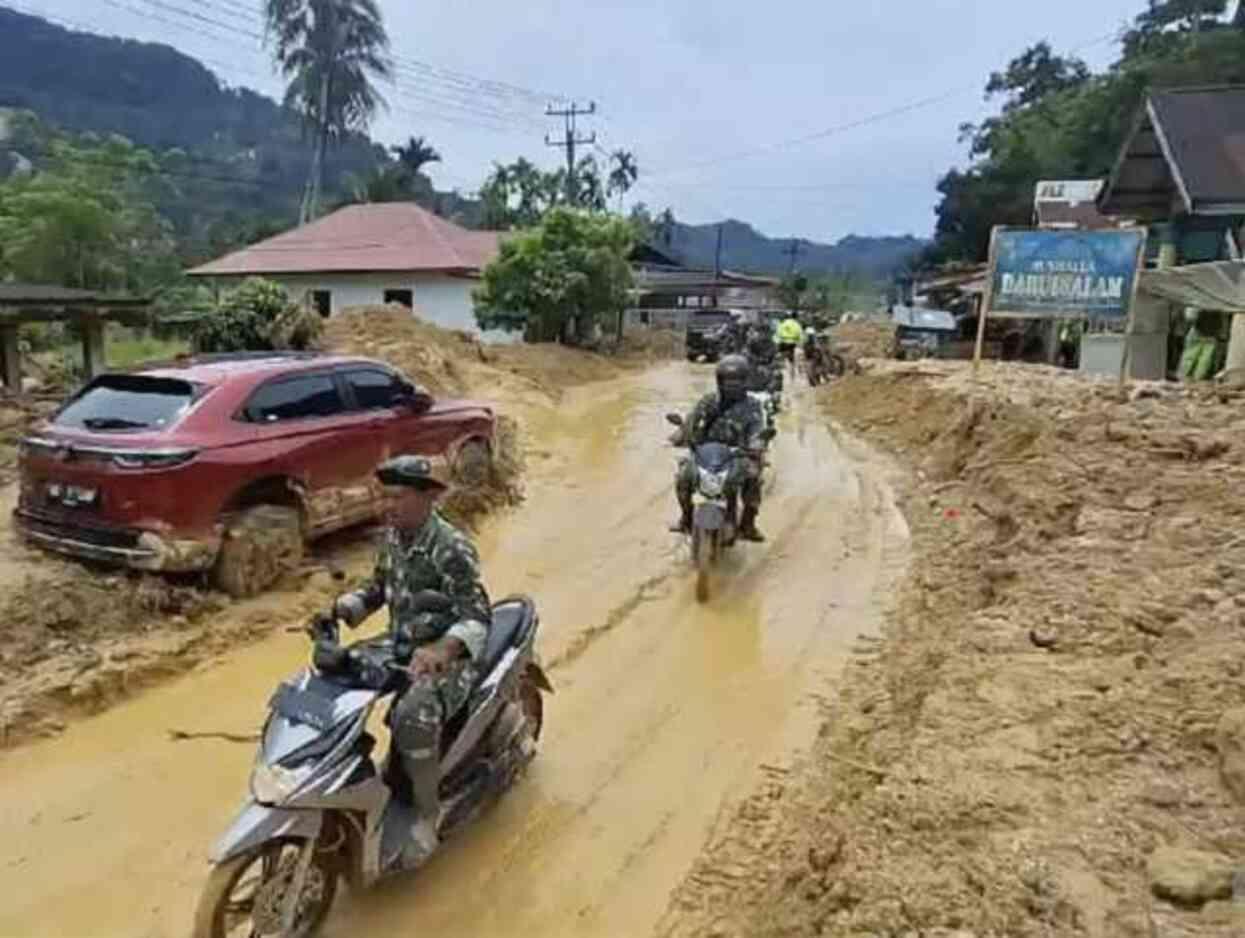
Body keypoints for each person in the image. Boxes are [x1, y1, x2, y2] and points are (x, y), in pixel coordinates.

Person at [329, 455, 491, 862]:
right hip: (401, 645)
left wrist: (443, 649)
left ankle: (427, 811)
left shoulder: (450, 548)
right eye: (384, 497)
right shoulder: (392, 539)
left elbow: (477, 614)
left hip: (449, 656)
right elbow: (378, 588)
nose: (388, 505)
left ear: (426, 498)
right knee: (334, 678)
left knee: (411, 715)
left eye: (398, 496)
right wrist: (344, 608)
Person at [671, 355, 768, 542]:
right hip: (706, 454)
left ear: (745, 381)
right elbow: (691, 421)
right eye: (727, 381)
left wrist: (757, 443)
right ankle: (686, 517)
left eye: (737, 381)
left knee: (754, 478)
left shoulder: (753, 405)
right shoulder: (708, 401)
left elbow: (758, 428)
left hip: (738, 454)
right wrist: (680, 435)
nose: (732, 385)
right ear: (719, 381)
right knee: (683, 476)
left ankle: (748, 525)